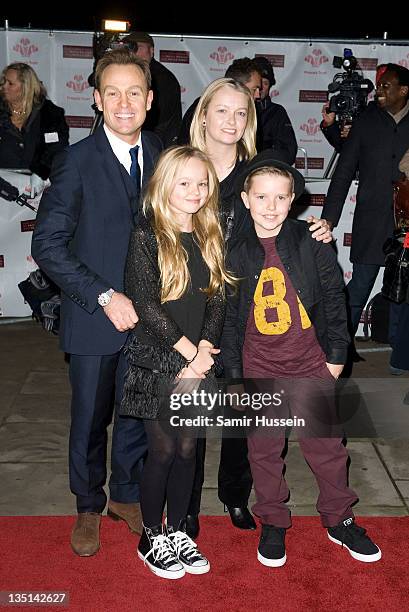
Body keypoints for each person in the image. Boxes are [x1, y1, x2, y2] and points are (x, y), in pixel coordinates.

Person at [184, 77, 332, 538]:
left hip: (243, 304)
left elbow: (280, 217)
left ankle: (234, 494)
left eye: (241, 113)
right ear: (203, 114)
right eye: (222, 110)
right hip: (187, 298)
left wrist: (315, 230)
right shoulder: (181, 164)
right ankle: (184, 505)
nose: (231, 121)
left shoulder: (256, 173)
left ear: (249, 121)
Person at [221, 150, 381, 567]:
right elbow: (231, 319)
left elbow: (333, 299)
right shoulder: (234, 252)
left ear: (293, 200)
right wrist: (236, 374)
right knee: (264, 451)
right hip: (260, 368)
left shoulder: (313, 240)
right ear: (245, 199)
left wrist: (335, 357)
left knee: (327, 447)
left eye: (280, 197)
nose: (270, 207)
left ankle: (339, 518)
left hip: (311, 364)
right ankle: (273, 519)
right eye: (262, 197)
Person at [31, 48, 162, 557]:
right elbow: (47, 245)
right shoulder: (75, 162)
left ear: (149, 100)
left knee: (135, 412)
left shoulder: (160, 152)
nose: (124, 102)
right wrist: (104, 295)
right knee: (90, 417)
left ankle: (125, 497)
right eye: (113, 93)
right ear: (96, 99)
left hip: (152, 320)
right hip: (94, 317)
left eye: (134, 92)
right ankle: (88, 504)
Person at [120, 145, 234, 579]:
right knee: (164, 451)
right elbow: (147, 306)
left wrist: (204, 351)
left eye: (202, 183)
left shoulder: (211, 234)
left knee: (189, 450)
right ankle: (151, 534)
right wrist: (189, 355)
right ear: (165, 185)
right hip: (158, 361)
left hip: (197, 361)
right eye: (184, 182)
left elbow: (219, 297)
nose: (195, 190)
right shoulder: (146, 236)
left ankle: (179, 530)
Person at [321, 63, 409, 348]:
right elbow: (344, 171)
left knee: (404, 292)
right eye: (379, 85)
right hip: (371, 221)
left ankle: (399, 355)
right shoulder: (366, 120)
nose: (379, 91)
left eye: (386, 86)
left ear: (404, 91)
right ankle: (338, 349)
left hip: (407, 223)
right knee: (359, 286)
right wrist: (329, 219)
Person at [0, 62, 69, 196]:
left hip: (41, 187)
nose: (3, 87)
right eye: (3, 82)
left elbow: (56, 147)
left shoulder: (50, 114)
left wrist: (40, 172)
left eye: (10, 83)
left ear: (25, 87)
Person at [178, 57, 262, 147]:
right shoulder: (203, 105)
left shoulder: (251, 157)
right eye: (222, 111)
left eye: (241, 113)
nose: (258, 95)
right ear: (203, 116)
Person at [121, 31, 182, 148]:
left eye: (138, 47)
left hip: (157, 145)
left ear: (152, 51)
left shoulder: (162, 78)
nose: (134, 52)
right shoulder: (130, 74)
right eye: (130, 47)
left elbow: (158, 120)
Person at [252, 55, 298, 163]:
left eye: (265, 83)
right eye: (258, 83)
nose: (261, 88)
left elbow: (289, 152)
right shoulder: (237, 110)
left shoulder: (278, 113)